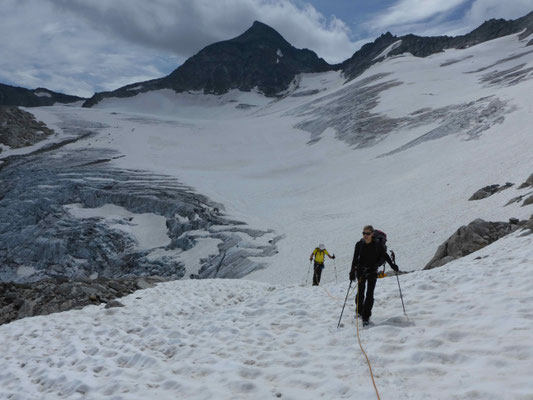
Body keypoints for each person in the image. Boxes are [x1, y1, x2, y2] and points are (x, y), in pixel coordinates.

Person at [349, 225, 399, 326]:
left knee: (369, 294)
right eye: (364, 233)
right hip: (360, 271)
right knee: (361, 292)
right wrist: (351, 271)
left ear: (372, 234)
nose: (365, 235)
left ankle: (366, 317)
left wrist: (393, 265)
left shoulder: (377, 244)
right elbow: (355, 258)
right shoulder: (359, 244)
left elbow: (385, 255)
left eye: (367, 233)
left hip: (372, 271)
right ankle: (359, 311)